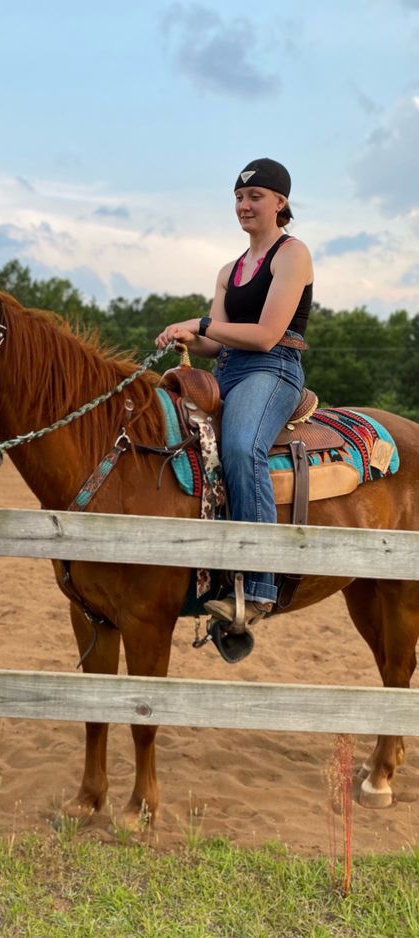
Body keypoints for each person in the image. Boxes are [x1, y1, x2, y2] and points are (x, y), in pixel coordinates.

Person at [155, 157, 313, 626]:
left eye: (255, 197)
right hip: (228, 368)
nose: (244, 205)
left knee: (243, 448)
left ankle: (260, 587)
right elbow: (213, 341)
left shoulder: (292, 254)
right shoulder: (231, 269)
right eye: (239, 198)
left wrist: (203, 324)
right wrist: (187, 336)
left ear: (279, 202)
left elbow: (265, 335)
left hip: (273, 367)